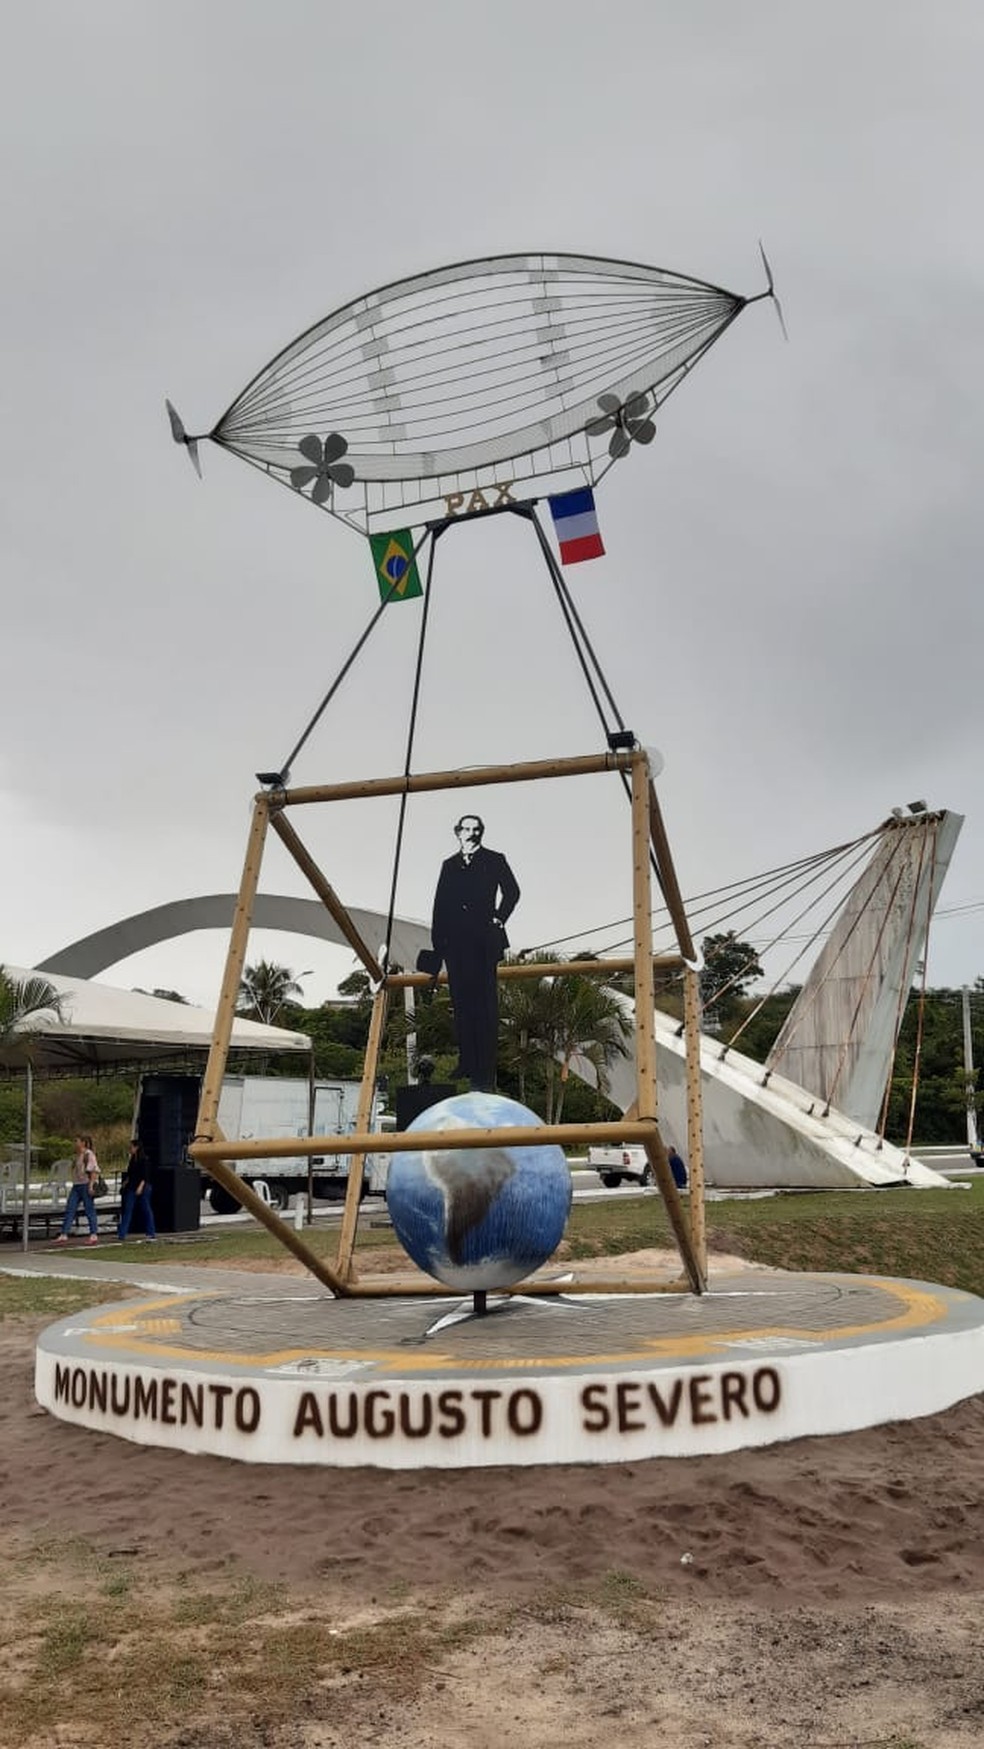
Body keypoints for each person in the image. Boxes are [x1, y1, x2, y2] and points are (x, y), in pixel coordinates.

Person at [427, 815, 520, 1093]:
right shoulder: (449, 865)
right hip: (456, 944)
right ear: (457, 832)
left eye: (476, 829)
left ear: (481, 832)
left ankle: (485, 1067)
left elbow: (512, 891)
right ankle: (467, 1060)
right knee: (462, 1004)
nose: (471, 833)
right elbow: (439, 905)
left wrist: (499, 918)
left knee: (485, 1006)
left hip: (483, 941)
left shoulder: (494, 859)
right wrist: (438, 945)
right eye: (466, 829)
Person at [55, 1135, 100, 1245]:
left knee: (89, 1209)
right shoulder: (77, 1155)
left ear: (83, 1143)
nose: (75, 1143)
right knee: (70, 1207)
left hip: (85, 1184)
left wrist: (91, 1185)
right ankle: (64, 1233)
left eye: (77, 1141)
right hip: (77, 1185)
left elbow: (94, 1171)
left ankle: (93, 1234)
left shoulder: (88, 1154)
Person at [118, 1138, 157, 1242]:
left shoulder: (144, 1160)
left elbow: (145, 1175)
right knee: (128, 1209)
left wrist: (140, 1186)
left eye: (131, 1147)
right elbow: (130, 1173)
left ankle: (151, 1232)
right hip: (132, 1185)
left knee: (146, 1208)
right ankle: (122, 1233)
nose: (130, 1149)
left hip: (143, 1186)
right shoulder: (132, 1160)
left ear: (137, 1147)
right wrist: (125, 1182)